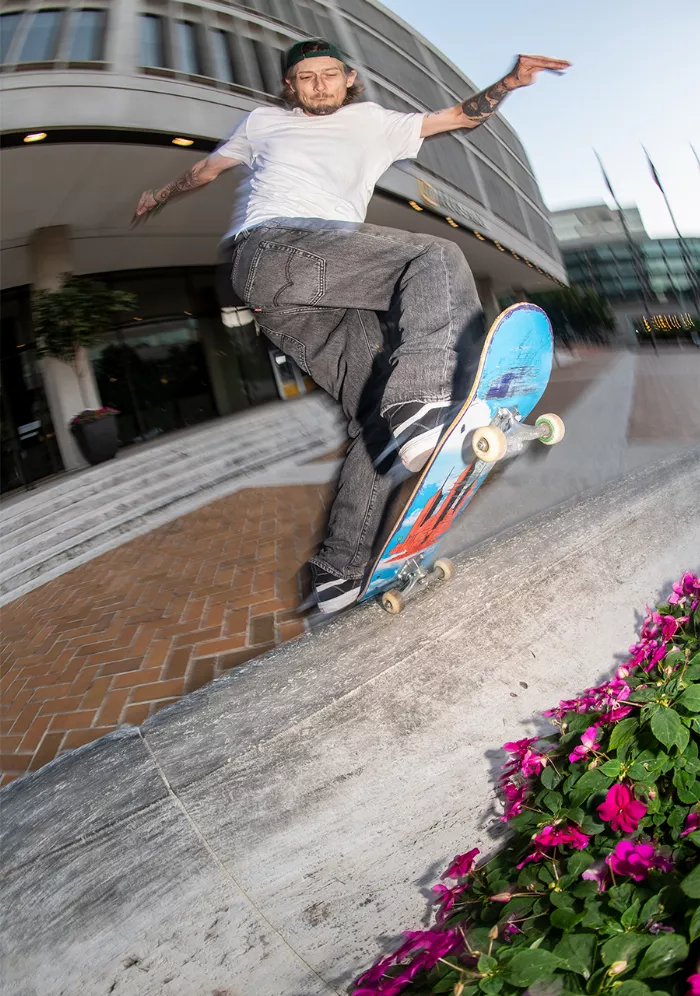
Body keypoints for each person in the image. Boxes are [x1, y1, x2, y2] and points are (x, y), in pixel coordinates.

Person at [134, 40, 569, 614]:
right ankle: (423, 403)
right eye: (304, 77)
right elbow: (206, 168)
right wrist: (159, 195)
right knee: (434, 259)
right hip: (274, 250)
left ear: (347, 80)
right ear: (290, 85)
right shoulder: (262, 121)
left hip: (308, 301)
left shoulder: (375, 123)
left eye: (328, 75)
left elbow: (460, 116)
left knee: (374, 421)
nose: (317, 85)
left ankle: (336, 571)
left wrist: (510, 83)